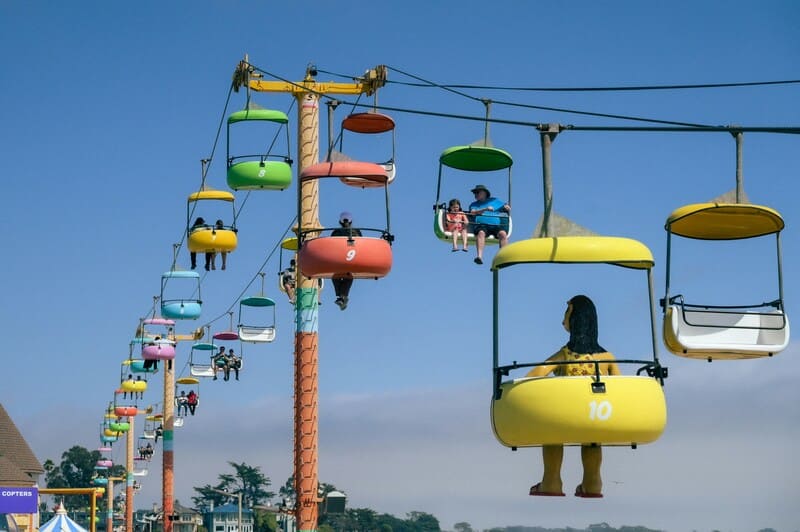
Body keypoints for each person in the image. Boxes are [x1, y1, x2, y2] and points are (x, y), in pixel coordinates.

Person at [526, 295, 620, 499]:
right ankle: (593, 482)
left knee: (552, 433)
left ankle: (551, 480)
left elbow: (534, 375)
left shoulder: (564, 355)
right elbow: (619, 388)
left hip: (566, 416)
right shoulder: (607, 357)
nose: (562, 321)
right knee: (593, 439)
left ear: (576, 318)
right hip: (595, 414)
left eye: (566, 315)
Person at [467, 184, 511, 265]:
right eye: (474, 193)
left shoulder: (494, 200)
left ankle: (504, 257)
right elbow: (473, 212)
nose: (475, 194)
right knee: (481, 233)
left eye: (477, 192)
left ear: (484, 193)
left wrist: (507, 207)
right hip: (482, 225)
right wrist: (485, 209)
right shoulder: (474, 204)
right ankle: (479, 256)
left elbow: (505, 206)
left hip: (495, 225)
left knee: (503, 234)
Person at [331, 212, 362, 310]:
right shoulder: (355, 232)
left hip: (346, 256)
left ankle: (342, 297)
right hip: (344, 256)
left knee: (341, 276)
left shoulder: (337, 232)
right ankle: (342, 297)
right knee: (342, 276)